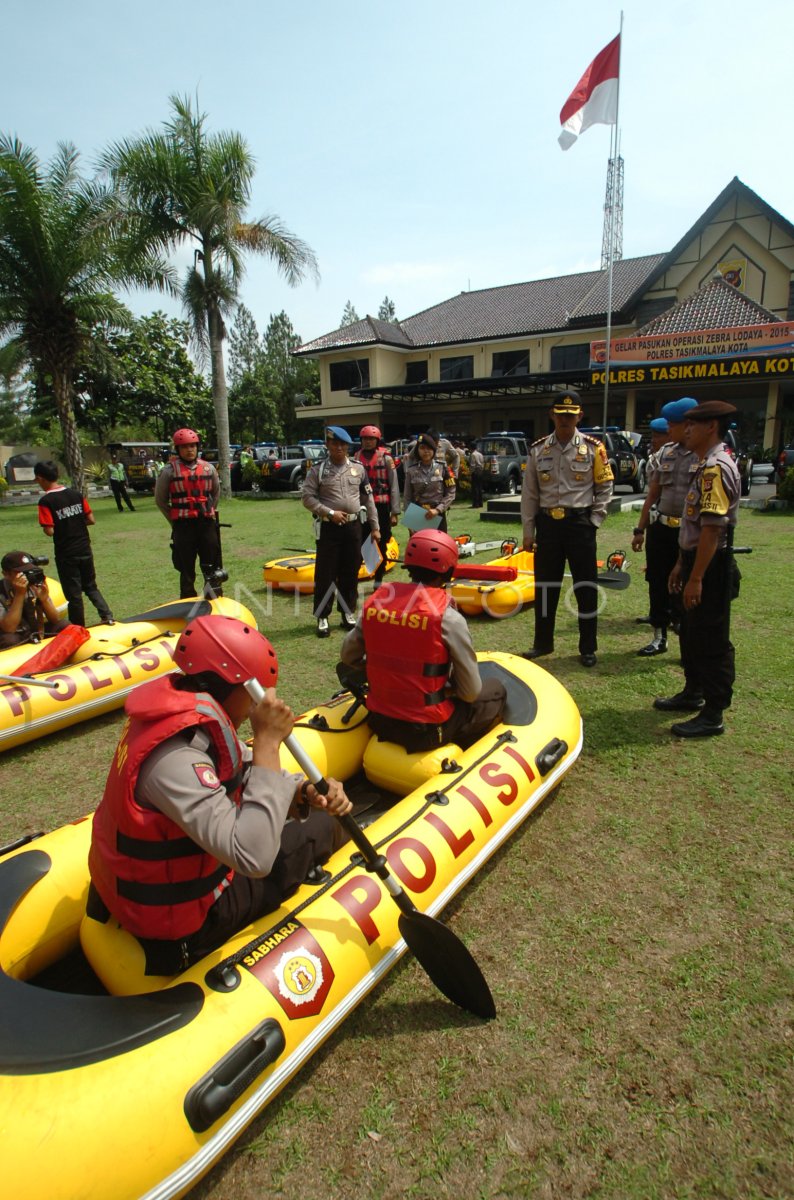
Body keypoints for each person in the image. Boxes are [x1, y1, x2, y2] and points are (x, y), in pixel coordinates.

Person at [86, 614, 351, 975]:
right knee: (323, 828)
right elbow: (254, 858)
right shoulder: (177, 757)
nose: (259, 707)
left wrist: (302, 793)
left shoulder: (185, 714)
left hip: (145, 889)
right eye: (256, 695)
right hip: (181, 922)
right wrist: (269, 742)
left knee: (311, 813)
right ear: (239, 687)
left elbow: (239, 769)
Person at [339, 529, 506, 752]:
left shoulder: (376, 603)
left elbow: (348, 657)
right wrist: (446, 690)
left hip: (379, 719)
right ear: (448, 571)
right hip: (426, 730)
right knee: (495, 690)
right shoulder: (448, 618)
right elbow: (470, 692)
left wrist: (386, 675)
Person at [654, 401, 741, 738]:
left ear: (711, 427)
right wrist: (681, 563)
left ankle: (714, 712)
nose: (685, 430)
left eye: (693, 425)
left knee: (711, 638)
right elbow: (692, 528)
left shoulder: (715, 468)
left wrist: (696, 577)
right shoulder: (703, 464)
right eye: (685, 424)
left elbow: (712, 530)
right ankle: (693, 693)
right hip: (695, 561)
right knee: (690, 632)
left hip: (711, 566)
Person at [520, 392, 614, 667]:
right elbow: (530, 494)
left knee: (585, 586)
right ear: (552, 415)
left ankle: (587, 646)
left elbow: (605, 486)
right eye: (560, 414)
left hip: (579, 524)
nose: (565, 419)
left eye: (570, 415)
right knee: (545, 586)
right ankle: (543, 643)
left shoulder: (594, 448)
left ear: (579, 416)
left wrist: (594, 520)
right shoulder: (538, 450)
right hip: (548, 525)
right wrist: (528, 531)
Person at [630, 400, 700, 655]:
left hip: (688, 532)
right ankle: (659, 637)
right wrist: (640, 530)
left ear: (688, 424)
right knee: (657, 583)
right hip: (661, 530)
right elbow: (652, 496)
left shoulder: (703, 454)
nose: (668, 430)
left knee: (683, 587)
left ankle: (687, 642)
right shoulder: (665, 454)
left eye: (672, 424)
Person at [302, 425, 380, 638]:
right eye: (334, 443)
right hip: (329, 527)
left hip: (354, 527)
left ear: (348, 447)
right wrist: (328, 512)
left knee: (350, 572)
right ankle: (323, 616)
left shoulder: (358, 469)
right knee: (326, 573)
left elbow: (368, 499)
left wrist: (375, 527)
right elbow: (307, 498)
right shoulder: (318, 470)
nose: (338, 448)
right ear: (327, 445)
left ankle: (347, 612)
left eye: (343, 444)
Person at [34, 460, 114, 626]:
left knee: (74, 594)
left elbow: (50, 530)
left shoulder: (46, 502)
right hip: (84, 547)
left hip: (66, 553)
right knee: (91, 586)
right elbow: (91, 519)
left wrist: (61, 524)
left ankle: (78, 628)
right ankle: (107, 615)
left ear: (40, 478)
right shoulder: (76, 494)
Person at [155, 428, 222, 599]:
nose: (189, 450)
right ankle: (187, 601)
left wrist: (209, 511)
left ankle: (213, 599)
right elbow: (161, 500)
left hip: (206, 524)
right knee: (186, 568)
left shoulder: (208, 469)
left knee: (211, 565)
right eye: (184, 447)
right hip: (183, 526)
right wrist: (174, 520)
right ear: (178, 449)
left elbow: (215, 493)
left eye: (192, 446)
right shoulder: (168, 471)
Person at [354, 425, 399, 583]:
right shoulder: (355, 458)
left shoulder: (386, 458)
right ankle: (369, 570)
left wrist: (394, 512)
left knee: (381, 541)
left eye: (371, 439)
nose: (368, 442)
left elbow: (394, 486)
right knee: (363, 540)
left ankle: (378, 578)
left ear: (377, 440)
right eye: (365, 439)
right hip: (361, 506)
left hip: (381, 506)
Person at [0, 550, 69, 650]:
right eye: (20, 572)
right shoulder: (2, 591)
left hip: (35, 630)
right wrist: (19, 595)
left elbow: (55, 619)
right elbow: (9, 628)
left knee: (64, 626)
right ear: (6, 574)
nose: (26, 576)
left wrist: (44, 600)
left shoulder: (34, 583)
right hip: (14, 634)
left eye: (28, 570)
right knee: (10, 640)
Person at [403, 432, 457, 533]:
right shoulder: (411, 471)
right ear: (417, 450)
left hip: (438, 514)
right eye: (422, 448)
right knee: (420, 547)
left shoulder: (443, 468)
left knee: (439, 546)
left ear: (434, 450)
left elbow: (451, 492)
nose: (426, 451)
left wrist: (438, 510)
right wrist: (409, 521)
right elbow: (407, 497)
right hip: (418, 514)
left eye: (429, 448)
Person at [468, 441, 485, 509]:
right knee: (480, 488)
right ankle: (480, 503)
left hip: (475, 472)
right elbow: (483, 463)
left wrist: (470, 472)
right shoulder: (480, 454)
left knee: (475, 488)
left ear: (470, 448)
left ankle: (476, 504)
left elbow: (472, 465)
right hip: (480, 472)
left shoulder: (473, 455)